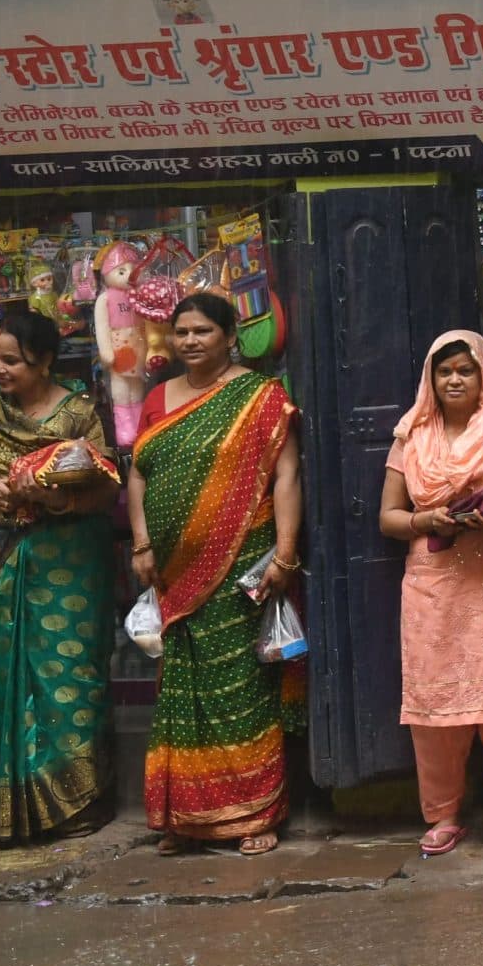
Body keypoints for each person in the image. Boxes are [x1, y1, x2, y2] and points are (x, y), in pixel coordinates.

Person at [125, 291, 304, 856]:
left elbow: (286, 476)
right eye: (181, 332)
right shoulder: (158, 398)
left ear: (230, 337)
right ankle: (188, 817)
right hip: (172, 573)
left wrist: (284, 554)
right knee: (183, 690)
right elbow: (138, 475)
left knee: (241, 690)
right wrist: (141, 543)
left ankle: (255, 814)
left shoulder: (260, 397)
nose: (190, 341)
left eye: (202, 331)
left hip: (243, 566)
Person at [0, 308, 120, 846]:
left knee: (71, 677)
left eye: (10, 361)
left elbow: (106, 485)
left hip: (70, 564)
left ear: (43, 362)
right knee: (5, 679)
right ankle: (13, 809)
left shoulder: (78, 414)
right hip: (1, 557)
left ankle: (76, 801)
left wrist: (57, 500)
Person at [381, 330, 483, 858]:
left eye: (466, 370)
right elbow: (388, 518)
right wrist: (427, 520)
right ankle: (443, 815)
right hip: (433, 587)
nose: (454, 379)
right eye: (444, 371)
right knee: (434, 704)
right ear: (431, 379)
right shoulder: (411, 435)